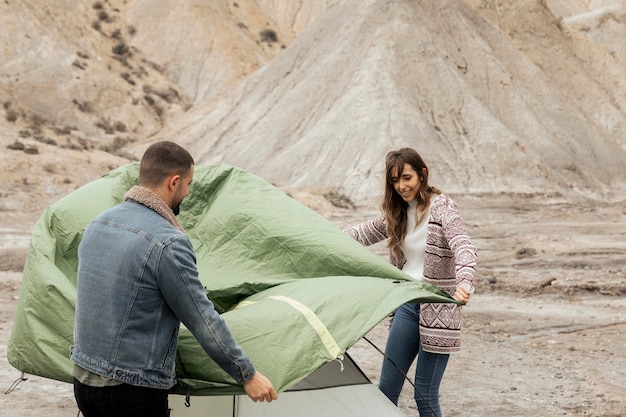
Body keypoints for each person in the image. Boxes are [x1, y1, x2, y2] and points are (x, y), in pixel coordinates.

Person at [71, 140, 277, 417]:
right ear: (174, 182)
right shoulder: (168, 242)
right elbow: (202, 319)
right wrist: (247, 375)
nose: (188, 192)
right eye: (189, 184)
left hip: (84, 381)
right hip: (131, 391)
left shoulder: (98, 224)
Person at [344, 148, 477, 416]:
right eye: (395, 180)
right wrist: (320, 235)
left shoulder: (442, 207)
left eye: (407, 178)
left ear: (422, 174)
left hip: (440, 308)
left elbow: (464, 245)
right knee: (386, 391)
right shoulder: (398, 212)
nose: (402, 186)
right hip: (407, 304)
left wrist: (465, 281)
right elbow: (362, 233)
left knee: (424, 394)